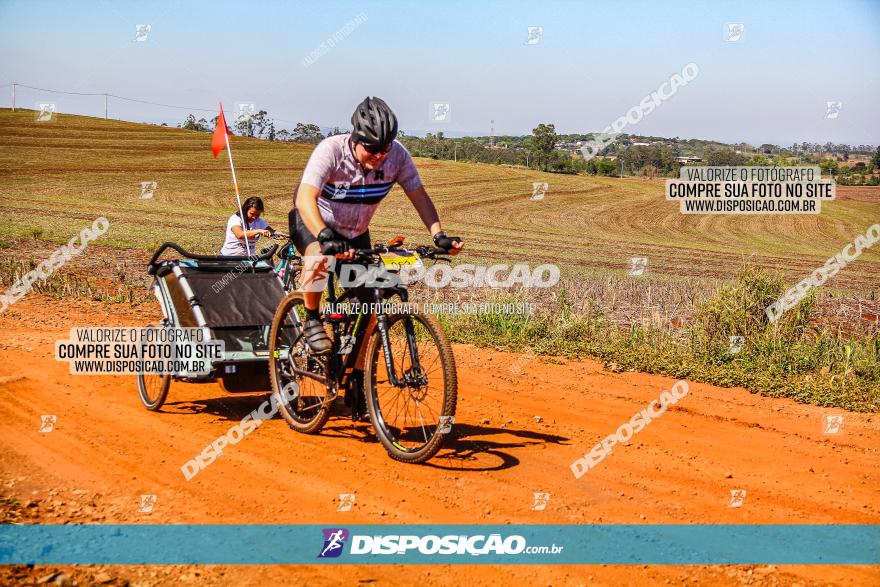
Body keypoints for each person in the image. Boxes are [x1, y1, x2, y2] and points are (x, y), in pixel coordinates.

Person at [289, 96, 463, 409]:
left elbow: (419, 196)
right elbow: (304, 198)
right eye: (372, 149)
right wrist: (325, 235)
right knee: (318, 255)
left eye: (385, 148)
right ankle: (313, 319)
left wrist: (438, 235)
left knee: (372, 300)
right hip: (315, 222)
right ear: (355, 139)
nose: (380, 156)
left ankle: (356, 373)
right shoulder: (330, 150)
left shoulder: (397, 156)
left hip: (356, 234)